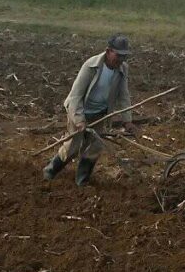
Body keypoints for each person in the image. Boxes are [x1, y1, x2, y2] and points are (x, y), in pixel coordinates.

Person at [43, 34, 139, 186]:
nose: (121, 60)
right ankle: (50, 170)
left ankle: (82, 181)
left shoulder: (122, 69)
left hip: (100, 113)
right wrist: (80, 120)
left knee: (96, 146)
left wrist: (127, 120)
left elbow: (123, 95)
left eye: (124, 56)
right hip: (80, 110)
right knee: (73, 146)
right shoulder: (91, 66)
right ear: (108, 51)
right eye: (118, 55)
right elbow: (75, 96)